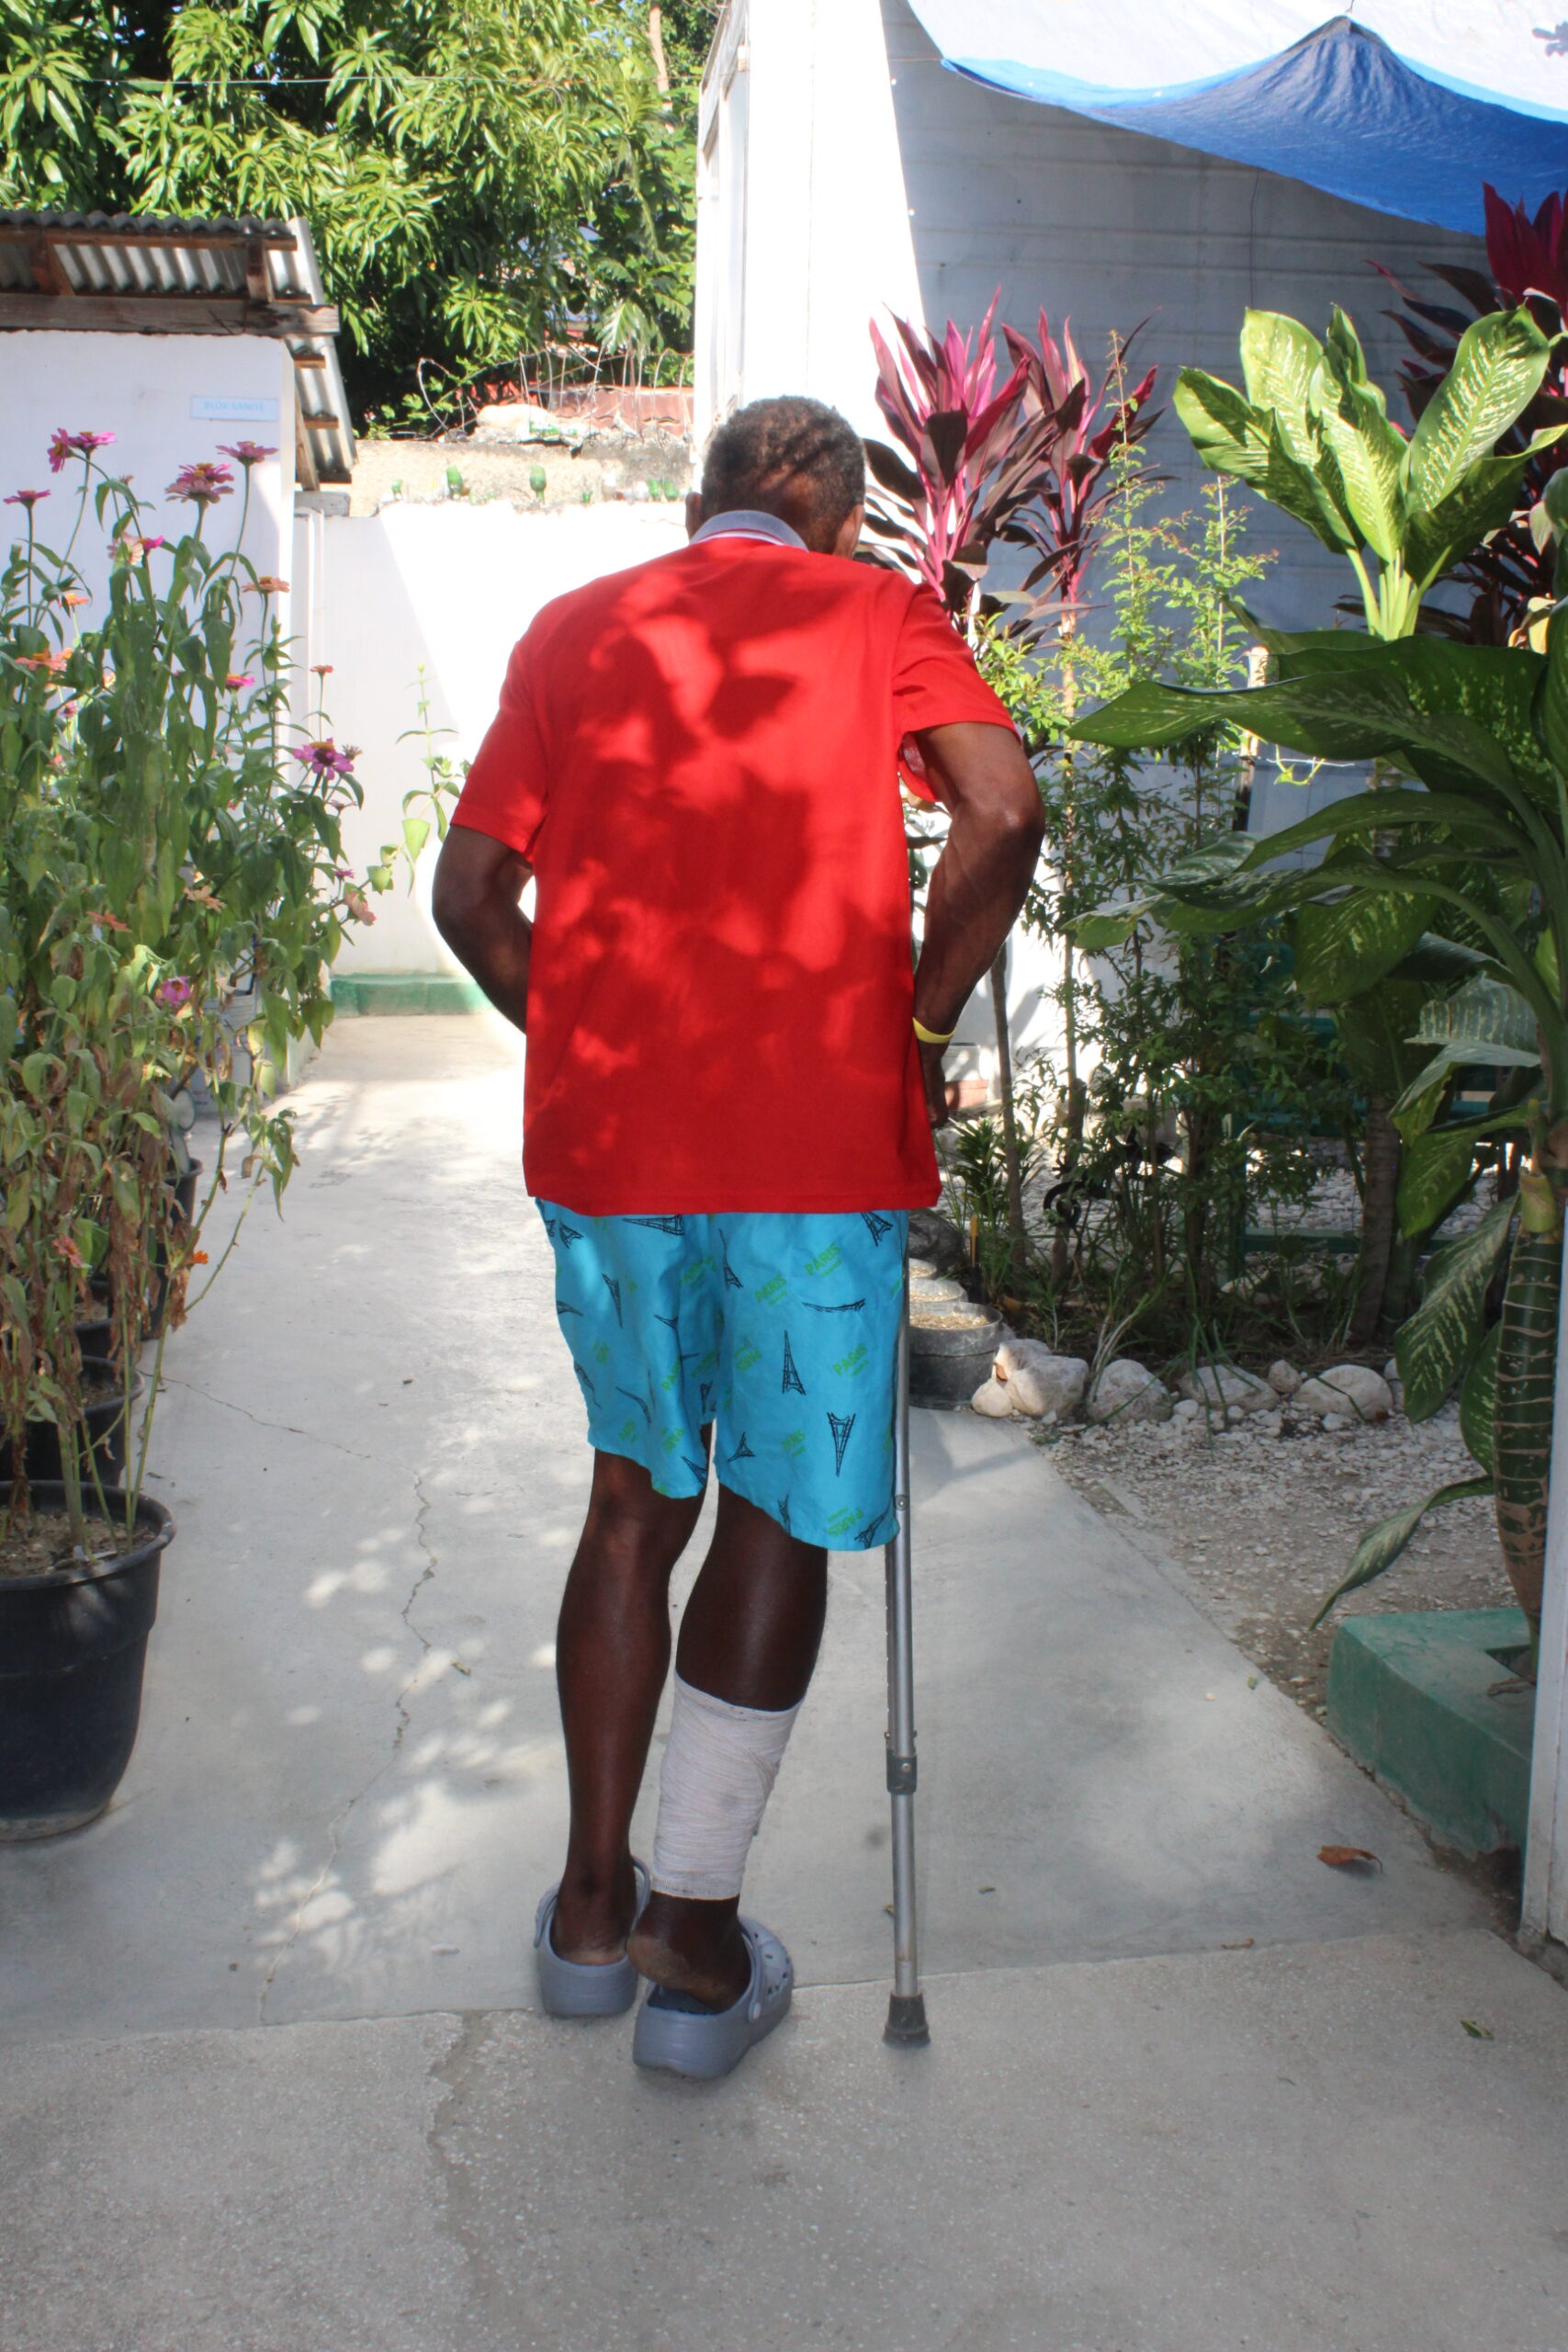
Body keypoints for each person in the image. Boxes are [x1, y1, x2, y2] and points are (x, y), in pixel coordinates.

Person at [432, 394, 1043, 2080]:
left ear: (696, 510)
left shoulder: (576, 630)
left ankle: (586, 1915)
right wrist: (917, 1025)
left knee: (635, 1501)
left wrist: (584, 1041)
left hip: (614, 1151)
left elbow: (469, 894)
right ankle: (692, 1947)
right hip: (812, 1150)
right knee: (777, 1506)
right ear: (841, 524)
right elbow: (1000, 811)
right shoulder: (877, 613)